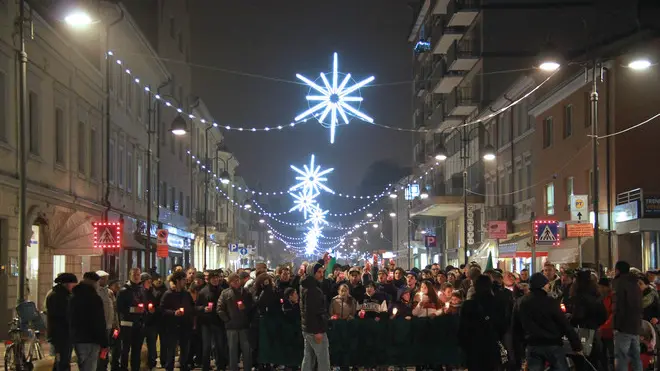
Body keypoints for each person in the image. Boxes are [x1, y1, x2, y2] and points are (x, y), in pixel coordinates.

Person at [512, 272, 582, 371]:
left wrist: (518, 350)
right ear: (543, 285)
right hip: (553, 344)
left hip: (532, 345)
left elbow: (516, 327)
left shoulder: (520, 302)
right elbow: (564, 323)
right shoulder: (551, 301)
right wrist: (576, 345)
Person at [458, 275, 507, 370]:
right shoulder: (497, 303)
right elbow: (503, 325)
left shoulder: (468, 305)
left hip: (473, 347)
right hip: (491, 344)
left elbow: (462, 328)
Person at [69, 272, 108, 371]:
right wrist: (104, 342)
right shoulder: (94, 298)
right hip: (92, 339)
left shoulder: (73, 296)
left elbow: (69, 318)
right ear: (94, 282)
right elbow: (99, 322)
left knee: (82, 365)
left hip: (77, 338)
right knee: (90, 366)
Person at [217, 273, 254, 371]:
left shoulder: (246, 292)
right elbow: (220, 308)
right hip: (231, 327)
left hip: (244, 326)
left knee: (247, 351)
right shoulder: (225, 293)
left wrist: (245, 308)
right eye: (234, 281)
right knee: (232, 351)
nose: (237, 283)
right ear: (230, 283)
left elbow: (252, 307)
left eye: (238, 280)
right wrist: (227, 320)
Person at [160, 271, 195, 371]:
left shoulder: (186, 294)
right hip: (172, 326)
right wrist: (173, 313)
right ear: (177, 281)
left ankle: (183, 366)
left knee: (185, 349)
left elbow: (192, 307)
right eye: (183, 279)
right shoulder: (168, 294)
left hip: (185, 326)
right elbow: (162, 310)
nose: (186, 281)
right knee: (171, 349)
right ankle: (169, 367)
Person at [612, 261, 643, 371]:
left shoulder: (620, 284)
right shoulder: (636, 284)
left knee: (622, 357)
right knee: (636, 356)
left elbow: (619, 307)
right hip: (635, 326)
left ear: (618, 270)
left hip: (624, 326)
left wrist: (616, 325)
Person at [300, 262, 330, 371]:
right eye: (318, 272)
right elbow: (311, 312)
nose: (321, 275)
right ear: (312, 273)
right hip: (315, 330)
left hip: (308, 329)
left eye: (322, 272)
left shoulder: (307, 285)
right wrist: (318, 331)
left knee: (308, 357)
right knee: (323, 359)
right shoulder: (313, 289)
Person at [116, 268, 147, 371]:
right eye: (134, 274)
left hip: (139, 323)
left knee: (136, 349)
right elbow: (120, 308)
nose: (136, 276)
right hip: (127, 324)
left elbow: (144, 303)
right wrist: (134, 309)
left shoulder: (141, 289)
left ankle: (135, 368)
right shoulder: (124, 290)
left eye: (138, 274)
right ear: (130, 275)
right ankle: (123, 368)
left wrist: (145, 310)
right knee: (125, 349)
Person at [196, 270, 227, 371]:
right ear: (209, 280)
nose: (216, 280)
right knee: (207, 346)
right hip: (206, 322)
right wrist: (203, 309)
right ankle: (205, 366)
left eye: (217, 278)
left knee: (219, 345)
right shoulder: (203, 292)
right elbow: (196, 307)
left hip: (218, 322)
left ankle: (220, 365)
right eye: (213, 278)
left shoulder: (222, 291)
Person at [46, 272, 78, 371]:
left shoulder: (62, 294)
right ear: (67, 283)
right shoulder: (58, 296)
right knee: (62, 361)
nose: (74, 286)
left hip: (63, 333)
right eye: (73, 284)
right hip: (61, 334)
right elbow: (61, 315)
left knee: (63, 360)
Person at [95, 271, 115, 371]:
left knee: (105, 348)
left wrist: (115, 323)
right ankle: (99, 366)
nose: (105, 280)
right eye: (103, 278)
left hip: (109, 325)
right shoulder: (95, 292)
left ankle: (103, 365)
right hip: (99, 326)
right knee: (99, 348)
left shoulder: (109, 292)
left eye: (106, 278)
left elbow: (113, 308)